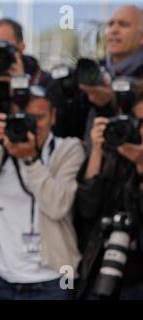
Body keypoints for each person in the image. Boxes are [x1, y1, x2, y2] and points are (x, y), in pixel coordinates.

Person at [0, 86, 84, 299]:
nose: (32, 125)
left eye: (39, 117)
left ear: (53, 117)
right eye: (25, 118)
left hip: (54, 279)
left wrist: (31, 160)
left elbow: (58, 206)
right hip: (2, 278)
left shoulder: (68, 150)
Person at [75, 82, 143, 300]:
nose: (138, 129)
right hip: (99, 271)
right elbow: (86, 208)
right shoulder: (112, 153)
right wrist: (96, 151)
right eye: (136, 121)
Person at [0, 18, 52, 136]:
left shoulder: (41, 80)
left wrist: (19, 84)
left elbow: (26, 131)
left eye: (4, 47)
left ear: (21, 47)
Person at [80, 5, 143, 148]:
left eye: (124, 25)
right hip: (93, 164)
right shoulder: (92, 71)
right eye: (110, 24)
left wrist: (110, 103)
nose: (114, 30)